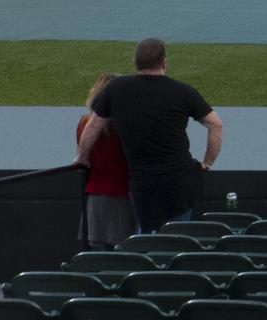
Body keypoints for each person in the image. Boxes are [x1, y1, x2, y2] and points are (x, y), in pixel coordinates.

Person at [80, 39, 224, 233]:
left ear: (135, 62)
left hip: (144, 183)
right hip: (180, 182)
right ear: (164, 62)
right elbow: (215, 124)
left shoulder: (116, 88)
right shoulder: (182, 91)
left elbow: (93, 126)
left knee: (146, 240)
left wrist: (81, 157)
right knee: (177, 240)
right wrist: (207, 163)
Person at [77, 72, 134, 248]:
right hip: (123, 196)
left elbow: (84, 156)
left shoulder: (84, 123)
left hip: (96, 196)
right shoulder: (126, 126)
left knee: (98, 257)